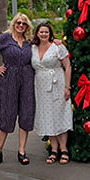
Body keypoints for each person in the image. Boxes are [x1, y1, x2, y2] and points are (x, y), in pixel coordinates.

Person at [0, 13, 36, 167]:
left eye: (24, 24)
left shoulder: (29, 41)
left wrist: (57, 41)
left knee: (26, 113)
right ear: (14, 23)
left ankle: (21, 151)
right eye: (18, 23)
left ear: (27, 26)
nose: (21, 26)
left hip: (27, 78)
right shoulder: (5, 38)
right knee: (7, 115)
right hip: (9, 79)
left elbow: (46, 40)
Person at [31, 22, 73, 164]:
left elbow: (67, 66)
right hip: (41, 88)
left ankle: (64, 149)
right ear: (37, 33)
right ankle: (54, 150)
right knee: (47, 116)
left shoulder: (58, 47)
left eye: (46, 32)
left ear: (50, 34)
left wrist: (67, 87)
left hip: (58, 85)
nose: (43, 34)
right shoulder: (33, 49)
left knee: (60, 114)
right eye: (41, 32)